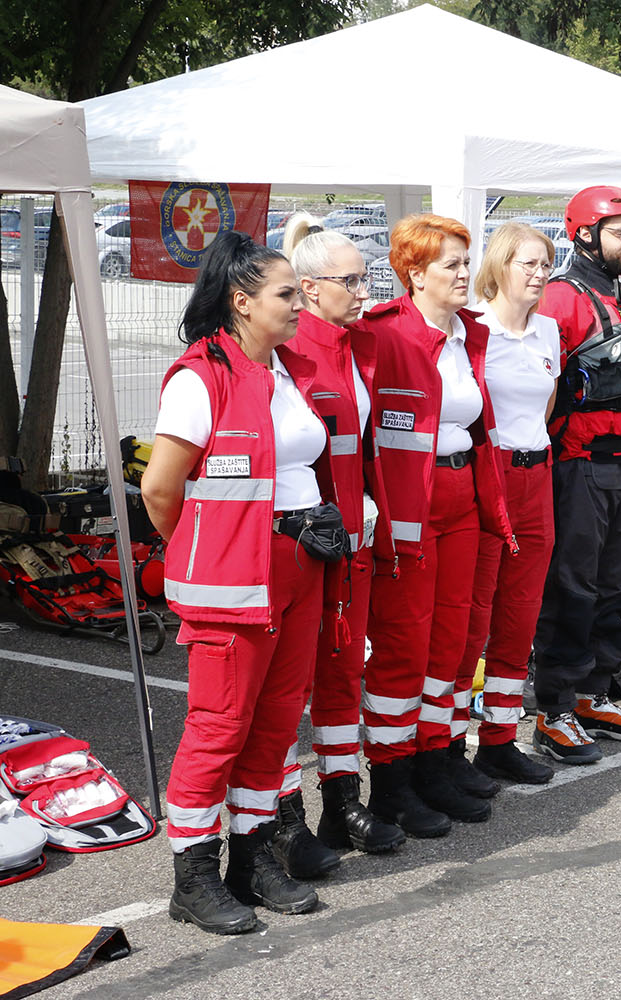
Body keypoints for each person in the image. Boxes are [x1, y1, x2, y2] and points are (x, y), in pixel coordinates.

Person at [143, 231, 328, 934]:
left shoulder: (284, 370)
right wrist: (202, 552)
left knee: (276, 725)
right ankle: (192, 876)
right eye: (287, 294)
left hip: (299, 569)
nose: (299, 307)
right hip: (234, 581)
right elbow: (162, 490)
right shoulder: (201, 377)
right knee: (217, 729)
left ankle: (250, 860)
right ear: (241, 302)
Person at [355, 214, 515, 834]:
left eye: (463, 262)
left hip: (464, 494)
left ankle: (435, 760)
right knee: (404, 643)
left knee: (452, 640)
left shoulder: (466, 334)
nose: (463, 275)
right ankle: (392, 781)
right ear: (413, 273)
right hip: (410, 505)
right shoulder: (383, 335)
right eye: (450, 264)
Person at [265, 216, 405, 882]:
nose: (363, 290)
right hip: (303, 548)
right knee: (288, 689)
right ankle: (283, 818)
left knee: (344, 674)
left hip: (352, 544)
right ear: (311, 288)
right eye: (351, 281)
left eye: (366, 278)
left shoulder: (358, 348)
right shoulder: (293, 354)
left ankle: (342, 802)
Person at [532, 186, 621, 763]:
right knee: (573, 587)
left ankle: (596, 692)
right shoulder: (563, 299)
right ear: (584, 234)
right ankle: (555, 707)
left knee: (615, 585)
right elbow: (543, 385)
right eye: (620, 233)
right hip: (578, 463)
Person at [456, 223, 560, 782]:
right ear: (499, 267)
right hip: (488, 476)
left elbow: (543, 411)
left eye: (546, 264)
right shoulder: (472, 330)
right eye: (529, 264)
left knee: (520, 615)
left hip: (536, 476)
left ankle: (498, 737)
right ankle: (449, 743)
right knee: (474, 618)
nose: (540, 274)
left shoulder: (548, 332)